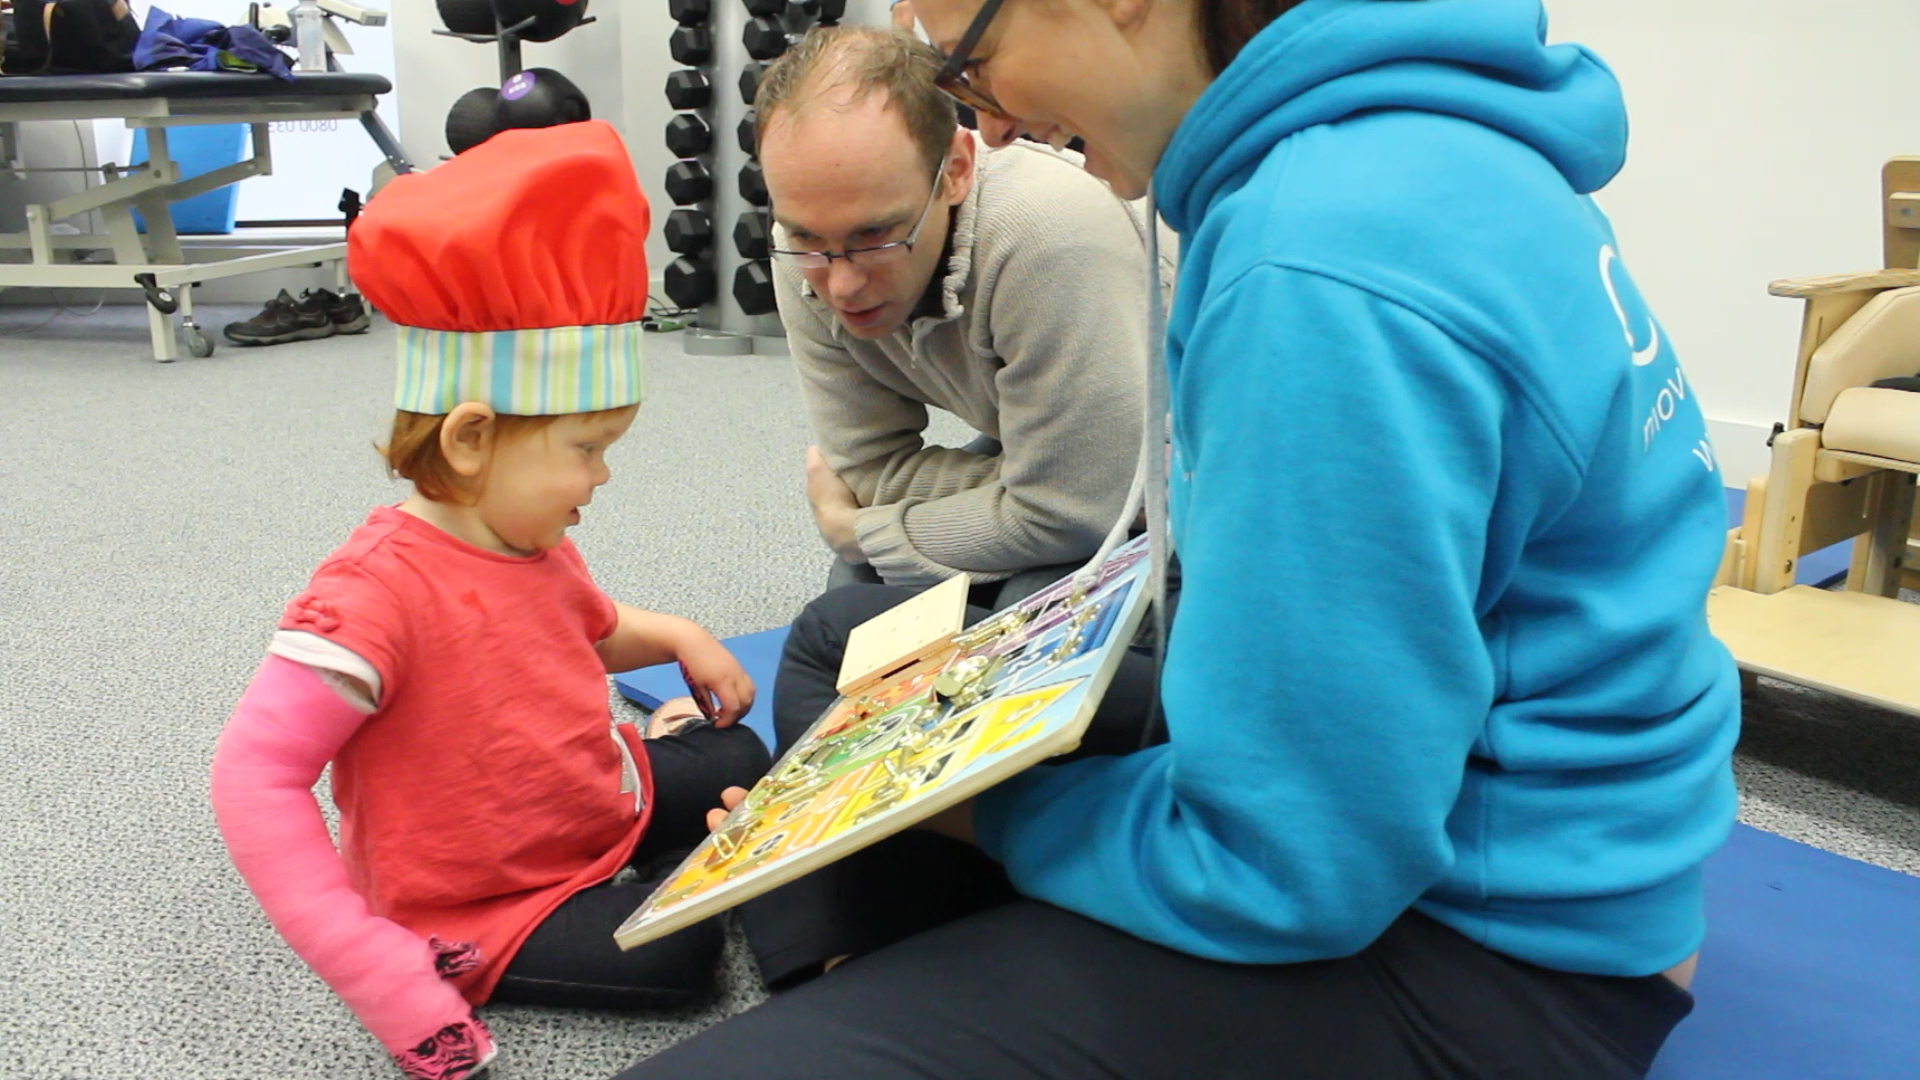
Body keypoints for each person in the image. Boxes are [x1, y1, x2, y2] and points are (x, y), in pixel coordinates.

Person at [614, 0, 1740, 1078]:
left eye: (969, 62)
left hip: (1485, 951)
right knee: (847, 642)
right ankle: (871, 950)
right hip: (1475, 834)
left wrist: (963, 804)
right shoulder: (1394, 157)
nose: (991, 123)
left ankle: (886, 937)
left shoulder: (1312, 262)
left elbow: (1288, 868)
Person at [208, 122, 769, 1080]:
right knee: (687, 953)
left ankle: (661, 798)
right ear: (471, 440)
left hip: (589, 804)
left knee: (742, 753)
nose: (601, 477)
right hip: (484, 896)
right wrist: (375, 969)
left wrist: (679, 636)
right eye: (587, 449)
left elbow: (577, 638)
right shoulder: (373, 595)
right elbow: (250, 783)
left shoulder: (531, 539)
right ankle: (458, 947)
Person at [756, 26, 1156, 610]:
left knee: (1036, 602)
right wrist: (1029, 491)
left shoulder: (1050, 237)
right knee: (854, 603)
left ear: (957, 170)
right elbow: (866, 467)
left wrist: (864, 531)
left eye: (876, 235)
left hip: (1213, 466)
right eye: (807, 236)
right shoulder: (801, 258)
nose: (839, 283)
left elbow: (1087, 515)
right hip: (1053, 449)